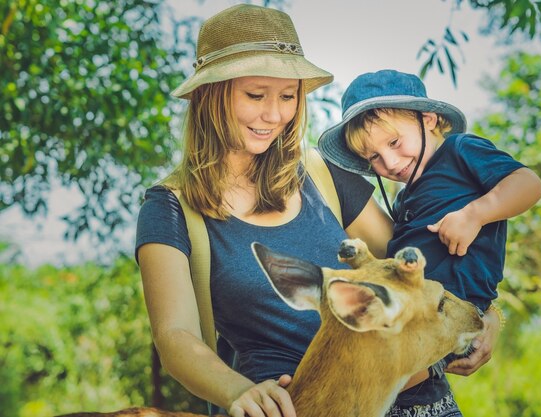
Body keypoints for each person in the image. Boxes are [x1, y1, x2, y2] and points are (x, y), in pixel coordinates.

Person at [135, 5, 392, 417]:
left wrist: (486, 315)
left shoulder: (323, 174)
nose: (274, 115)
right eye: (256, 95)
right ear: (211, 95)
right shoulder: (169, 206)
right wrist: (240, 392)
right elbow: (175, 335)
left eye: (288, 96)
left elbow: (413, 265)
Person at [318, 69, 541, 417]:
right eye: (374, 158)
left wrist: (475, 215)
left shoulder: (460, 150)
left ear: (429, 119)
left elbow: (528, 183)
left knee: (371, 382)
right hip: (418, 311)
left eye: (394, 143)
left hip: (449, 311)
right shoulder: (406, 198)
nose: (389, 163)